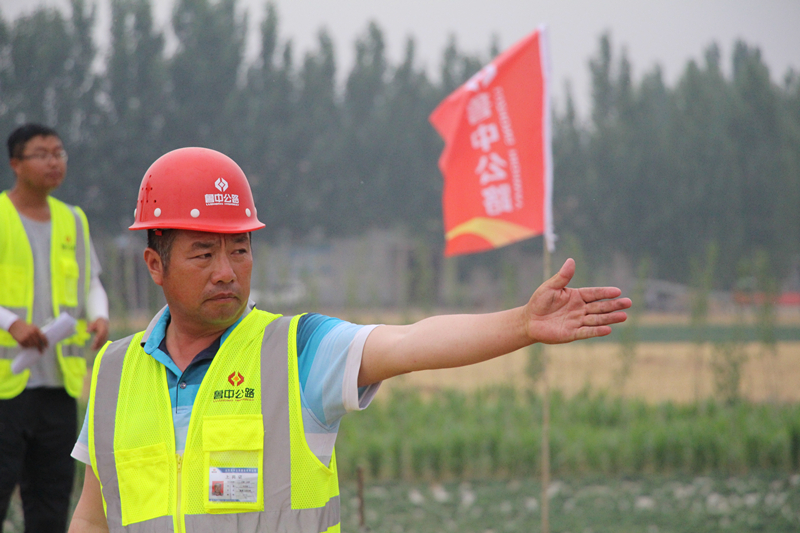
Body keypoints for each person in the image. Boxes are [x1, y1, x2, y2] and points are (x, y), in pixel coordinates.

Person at [68, 147, 630, 533]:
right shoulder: (115, 372)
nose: (226, 271)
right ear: (155, 264)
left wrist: (521, 324)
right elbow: (95, 515)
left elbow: (412, 342)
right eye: (203, 253)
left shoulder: (297, 350)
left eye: (239, 250)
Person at [0, 123, 110, 532]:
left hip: (59, 388)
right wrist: (11, 323)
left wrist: (100, 315)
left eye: (59, 153)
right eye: (42, 154)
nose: (54, 162)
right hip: (6, 388)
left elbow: (91, 281)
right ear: (15, 163)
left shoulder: (73, 220)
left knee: (52, 500)